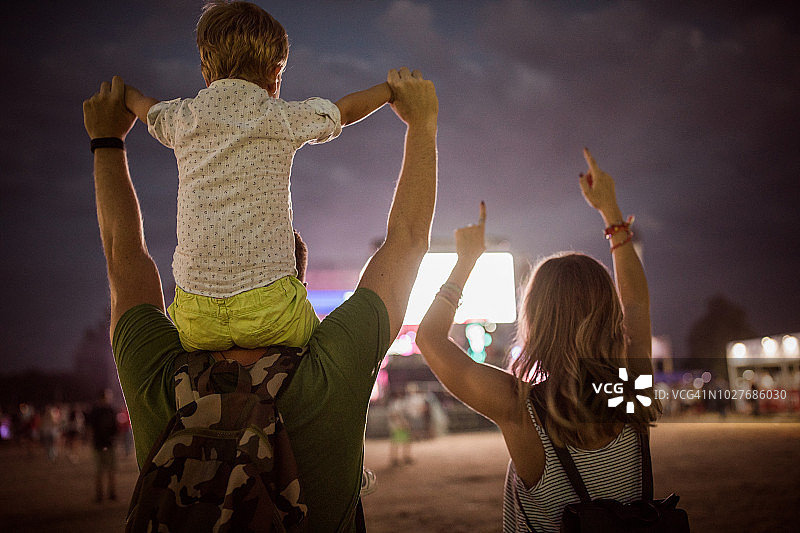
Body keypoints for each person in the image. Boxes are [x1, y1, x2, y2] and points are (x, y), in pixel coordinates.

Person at [83, 66, 437, 531]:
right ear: (294, 284)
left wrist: (106, 142)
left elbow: (121, 255)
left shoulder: (157, 375)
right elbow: (408, 240)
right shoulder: (331, 371)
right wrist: (423, 124)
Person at [123, 0, 394, 353]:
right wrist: (390, 90)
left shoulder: (184, 118)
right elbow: (342, 111)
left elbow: (146, 108)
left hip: (194, 317)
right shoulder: (279, 117)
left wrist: (124, 95)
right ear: (275, 77)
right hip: (270, 310)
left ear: (206, 74)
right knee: (325, 352)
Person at [415, 150, 661, 533]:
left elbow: (429, 339)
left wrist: (465, 261)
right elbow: (636, 303)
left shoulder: (520, 407)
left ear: (538, 324)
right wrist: (611, 213)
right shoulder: (632, 386)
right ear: (609, 314)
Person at [86, 389, 119, 502]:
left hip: (106, 444)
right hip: (101, 444)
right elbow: (91, 427)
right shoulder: (98, 410)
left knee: (108, 470)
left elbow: (115, 427)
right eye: (108, 396)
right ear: (103, 397)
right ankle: (102, 494)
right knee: (101, 470)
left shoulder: (109, 410)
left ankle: (109, 493)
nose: (109, 398)